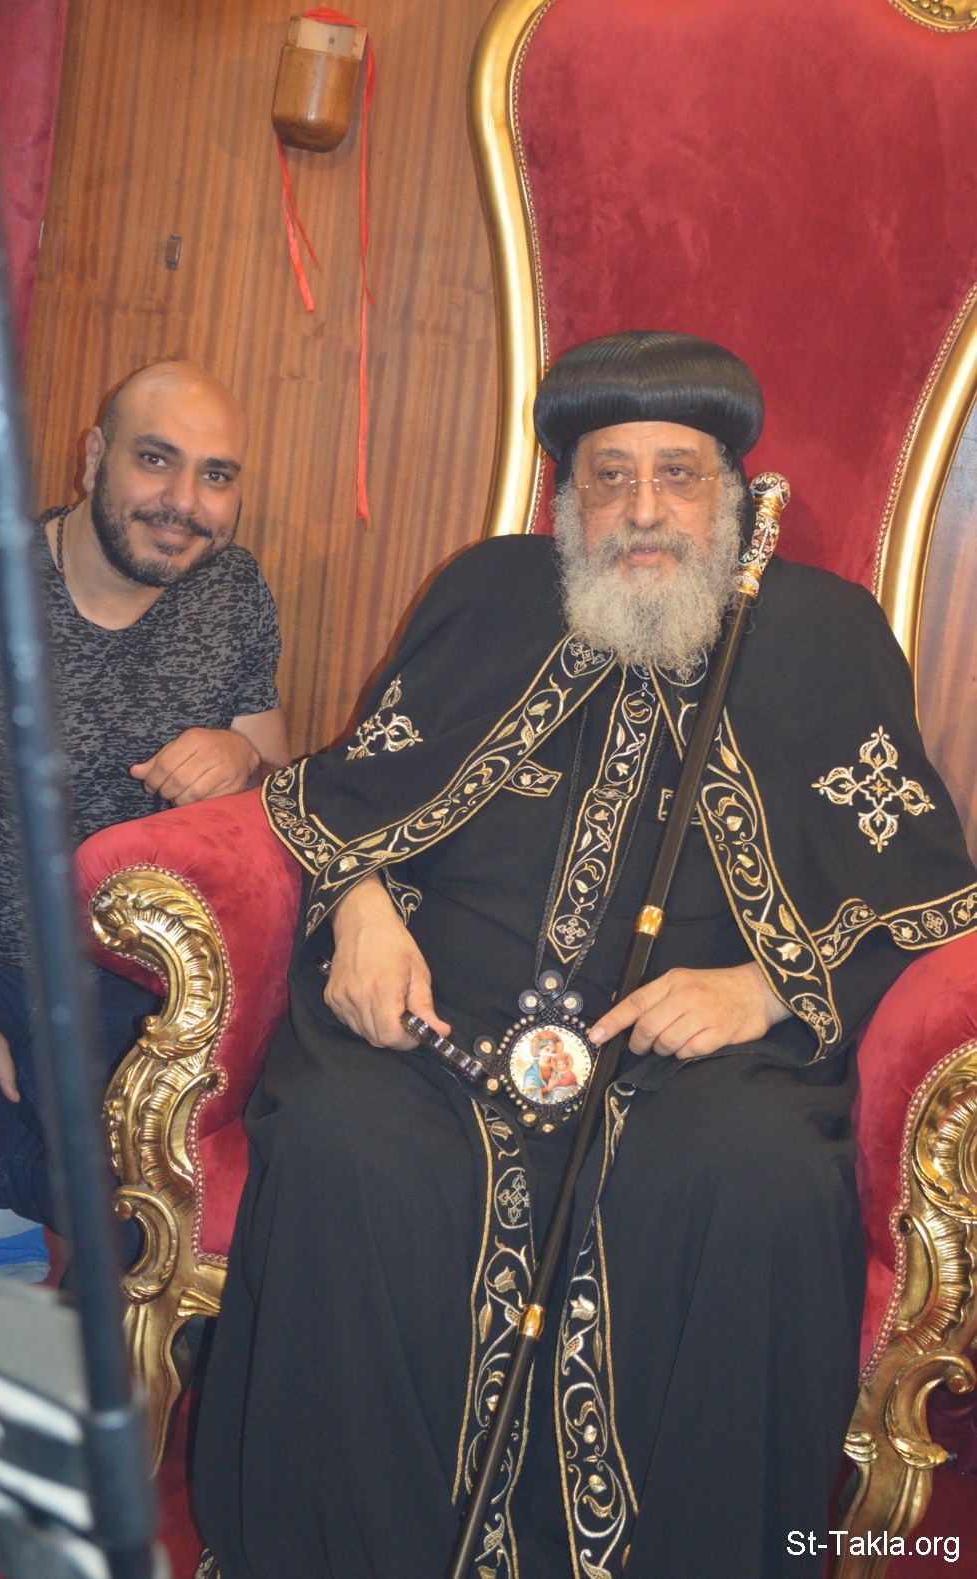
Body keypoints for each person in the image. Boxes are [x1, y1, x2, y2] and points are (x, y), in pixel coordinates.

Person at [192, 332, 977, 1579]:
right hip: (439, 1033)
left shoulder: (825, 635)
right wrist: (362, 908)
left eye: (678, 473)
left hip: (698, 1060)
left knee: (758, 1183)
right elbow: (344, 793)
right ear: (569, 497)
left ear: (733, 493)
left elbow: (920, 893)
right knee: (344, 1149)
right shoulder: (487, 597)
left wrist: (765, 987)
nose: (645, 508)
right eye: (611, 475)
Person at [0, 359, 289, 1257]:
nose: (184, 502)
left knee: (147, 1211)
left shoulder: (233, 591)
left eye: (216, 475)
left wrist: (242, 755)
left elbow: (280, 786)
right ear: (93, 459)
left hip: (124, 973)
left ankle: (23, 1190)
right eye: (155, 460)